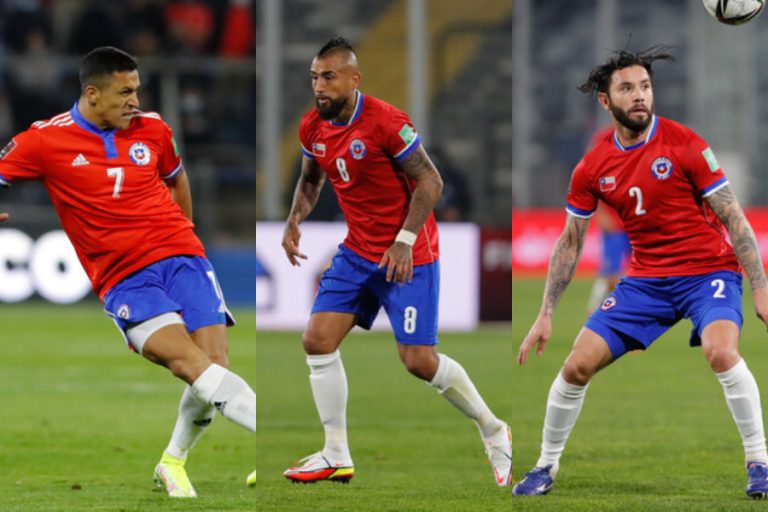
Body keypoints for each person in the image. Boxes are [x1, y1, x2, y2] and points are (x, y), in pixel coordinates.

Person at [0, 46, 255, 498]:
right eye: (124, 92)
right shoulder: (45, 140)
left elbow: (176, 179)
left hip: (183, 257)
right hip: (125, 277)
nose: (135, 100)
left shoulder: (153, 129)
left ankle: (172, 462)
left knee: (213, 366)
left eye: (137, 90)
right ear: (93, 94)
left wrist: (186, 238)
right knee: (191, 366)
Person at [513, 47, 768, 499]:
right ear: (605, 101)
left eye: (645, 87)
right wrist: (546, 311)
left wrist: (761, 289)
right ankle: (544, 466)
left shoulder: (685, 144)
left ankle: (760, 463)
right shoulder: (592, 166)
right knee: (576, 365)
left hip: (708, 271)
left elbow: (734, 217)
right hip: (647, 281)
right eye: (627, 88)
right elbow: (570, 241)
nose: (639, 96)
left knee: (721, 353)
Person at [280, 36, 512, 486]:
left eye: (328, 77)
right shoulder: (312, 126)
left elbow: (431, 181)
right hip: (357, 252)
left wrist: (404, 240)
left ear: (353, 78)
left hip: (409, 255)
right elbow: (311, 180)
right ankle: (335, 454)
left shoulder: (386, 122)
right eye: (314, 78)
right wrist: (294, 220)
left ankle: (493, 427)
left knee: (419, 362)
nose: (319, 87)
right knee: (317, 340)